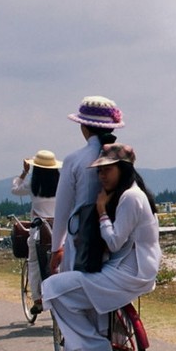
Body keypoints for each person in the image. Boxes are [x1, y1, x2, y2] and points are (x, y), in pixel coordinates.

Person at [42, 143, 160, 351]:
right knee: (76, 290)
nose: (101, 175)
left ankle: (93, 347)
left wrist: (101, 210)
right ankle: (102, 340)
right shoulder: (133, 193)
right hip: (133, 268)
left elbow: (115, 242)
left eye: (108, 170)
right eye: (99, 171)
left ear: (123, 169)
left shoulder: (130, 197)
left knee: (51, 288)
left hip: (129, 273)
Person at [50, 96, 124, 275]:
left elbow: (62, 209)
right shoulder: (121, 156)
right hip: (115, 236)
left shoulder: (74, 160)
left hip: (82, 238)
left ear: (84, 127)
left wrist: (55, 248)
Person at [11, 149, 62, 318]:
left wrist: (24, 172)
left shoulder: (33, 184)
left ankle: (38, 299)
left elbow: (15, 189)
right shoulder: (62, 183)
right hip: (59, 230)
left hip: (39, 230)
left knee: (33, 263)